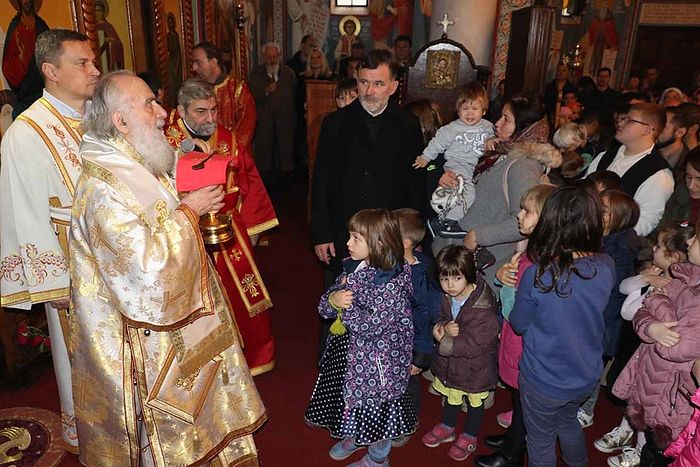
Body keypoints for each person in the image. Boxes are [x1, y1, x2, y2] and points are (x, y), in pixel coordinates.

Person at [69, 70, 267, 466]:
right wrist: (190, 211)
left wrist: (192, 200)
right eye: (149, 104)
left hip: (185, 322)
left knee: (209, 413)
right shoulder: (103, 189)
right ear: (120, 121)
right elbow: (145, 275)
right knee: (172, 438)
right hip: (148, 342)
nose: (162, 113)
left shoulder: (135, 159)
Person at [0, 29, 100, 453]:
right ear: (51, 71)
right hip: (72, 264)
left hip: (118, 257)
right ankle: (98, 441)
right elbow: (23, 209)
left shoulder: (98, 114)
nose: (95, 70)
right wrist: (53, 283)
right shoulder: (26, 132)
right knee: (86, 360)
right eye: (83, 63)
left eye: (94, 61)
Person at [311, 49, 424, 358]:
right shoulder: (335, 123)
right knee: (341, 297)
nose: (369, 91)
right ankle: (333, 362)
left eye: (378, 83)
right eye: (363, 82)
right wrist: (321, 233)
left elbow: (416, 182)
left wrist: (412, 234)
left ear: (394, 86)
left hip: (390, 232)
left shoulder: (408, 124)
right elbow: (321, 180)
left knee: (387, 304)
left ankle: (382, 364)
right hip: (344, 231)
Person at [163, 78, 279, 375]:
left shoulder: (228, 139)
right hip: (184, 231)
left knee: (242, 296)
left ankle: (248, 359)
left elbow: (250, 182)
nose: (211, 118)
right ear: (182, 110)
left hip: (229, 231)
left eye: (214, 110)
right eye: (201, 112)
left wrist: (253, 230)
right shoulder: (164, 141)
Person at [510, 184, 616, 467]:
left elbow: (519, 324)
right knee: (567, 422)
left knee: (540, 439)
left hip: (544, 379)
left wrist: (510, 290)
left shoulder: (538, 274)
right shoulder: (606, 265)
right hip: (586, 374)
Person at [305, 209, 417, 467]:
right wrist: (333, 300)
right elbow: (324, 308)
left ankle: (378, 459)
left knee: (379, 412)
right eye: (350, 236)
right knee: (353, 401)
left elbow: (372, 326)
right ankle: (355, 436)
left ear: (379, 243)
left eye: (356, 238)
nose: (348, 243)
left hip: (381, 366)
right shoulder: (354, 267)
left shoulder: (391, 283)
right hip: (354, 356)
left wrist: (345, 308)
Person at [431, 95, 560, 289]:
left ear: (525, 128)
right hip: (463, 258)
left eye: (506, 119)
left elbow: (527, 221)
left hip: (485, 266)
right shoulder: (503, 153)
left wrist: (479, 235)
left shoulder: (523, 166)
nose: (497, 124)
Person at [597, 223, 693, 466]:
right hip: (639, 350)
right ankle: (625, 431)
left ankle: (639, 450)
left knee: (651, 410)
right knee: (636, 399)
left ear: (673, 256)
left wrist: (654, 298)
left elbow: (631, 312)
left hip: (661, 365)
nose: (653, 249)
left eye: (659, 246)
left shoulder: (675, 287)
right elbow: (628, 297)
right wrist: (647, 278)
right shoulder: (659, 275)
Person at [475, 184, 556, 467]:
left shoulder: (540, 261)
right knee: (518, 396)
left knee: (524, 399)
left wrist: (506, 285)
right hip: (516, 339)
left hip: (526, 343)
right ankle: (513, 437)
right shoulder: (533, 252)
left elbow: (516, 311)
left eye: (526, 211)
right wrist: (504, 275)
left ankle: (513, 453)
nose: (519, 216)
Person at [421, 245, 499, 461]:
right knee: (451, 395)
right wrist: (444, 326)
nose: (450, 285)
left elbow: (476, 344)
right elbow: (442, 317)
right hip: (454, 366)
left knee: (474, 403)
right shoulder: (449, 296)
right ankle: (447, 426)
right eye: (444, 279)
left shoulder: (483, 307)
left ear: (469, 275)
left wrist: (444, 341)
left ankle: (470, 435)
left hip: (476, 369)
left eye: (457, 278)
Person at [576, 189, 639, 430]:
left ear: (619, 217)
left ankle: (587, 409)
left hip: (603, 319)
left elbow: (612, 290)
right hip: (593, 313)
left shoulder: (620, 248)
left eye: (604, 211)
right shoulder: (600, 237)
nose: (597, 213)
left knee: (593, 365)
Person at [412, 81, 494, 235]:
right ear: (458, 110)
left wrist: (491, 140)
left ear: (483, 111)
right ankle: (447, 222)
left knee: (460, 195)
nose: (470, 113)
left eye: (475, 109)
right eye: (465, 109)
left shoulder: (487, 127)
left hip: (474, 166)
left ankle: (447, 219)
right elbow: (437, 143)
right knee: (466, 193)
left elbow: (496, 136)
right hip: (458, 163)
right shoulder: (451, 129)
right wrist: (425, 157)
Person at [391, 208, 442, 442]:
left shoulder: (423, 274)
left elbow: (428, 317)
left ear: (406, 243)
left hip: (412, 345)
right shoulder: (387, 266)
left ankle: (407, 422)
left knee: (408, 386)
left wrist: (421, 357)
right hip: (387, 343)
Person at [586, 103, 675, 236]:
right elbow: (583, 190)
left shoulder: (658, 174)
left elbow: (645, 222)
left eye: (629, 121)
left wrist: (606, 235)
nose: (620, 123)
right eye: (622, 119)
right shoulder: (605, 156)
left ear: (647, 129)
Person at [191, 41, 257, 149]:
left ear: (213, 62)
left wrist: (228, 148)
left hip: (232, 152)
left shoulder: (236, 88)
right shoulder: (193, 89)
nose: (194, 68)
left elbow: (246, 125)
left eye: (198, 63)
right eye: (193, 63)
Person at [248, 42, 297, 180]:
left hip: (285, 120)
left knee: (284, 152)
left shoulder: (288, 73)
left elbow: (295, 95)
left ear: (279, 56)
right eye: (269, 57)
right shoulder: (256, 74)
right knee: (265, 158)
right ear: (263, 57)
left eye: (275, 57)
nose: (272, 60)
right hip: (265, 120)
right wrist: (266, 91)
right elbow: (250, 96)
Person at [2, 0, 49, 119]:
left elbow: (50, 53)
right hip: (23, 89)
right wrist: (20, 61)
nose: (26, 2)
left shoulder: (41, 26)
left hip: (41, 85)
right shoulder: (15, 27)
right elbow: (8, 61)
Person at [94, 0, 125, 72]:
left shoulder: (107, 26)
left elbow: (118, 43)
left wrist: (111, 41)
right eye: (95, 10)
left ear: (103, 12)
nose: (98, 13)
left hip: (107, 56)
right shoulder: (91, 27)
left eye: (99, 10)